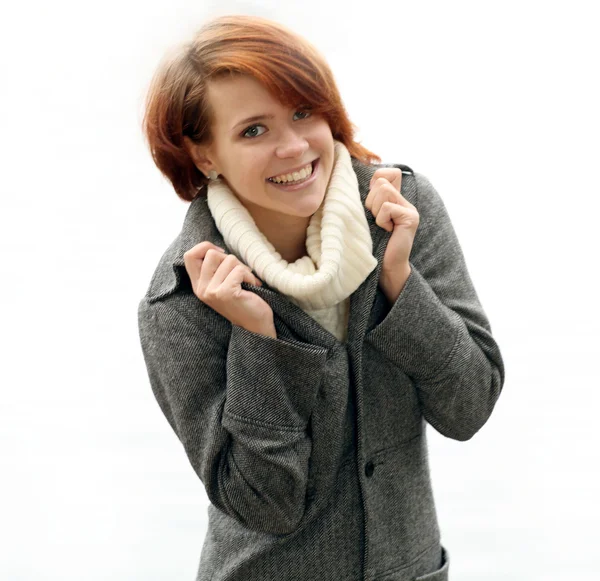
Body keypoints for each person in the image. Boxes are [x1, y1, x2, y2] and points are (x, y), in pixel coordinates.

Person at [137, 14, 505, 581]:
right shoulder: (182, 301)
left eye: (303, 112)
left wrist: (400, 283)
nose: (293, 147)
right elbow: (267, 504)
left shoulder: (401, 211)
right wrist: (260, 342)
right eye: (253, 130)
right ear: (204, 155)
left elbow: (469, 407)